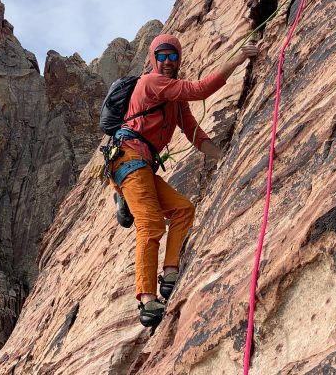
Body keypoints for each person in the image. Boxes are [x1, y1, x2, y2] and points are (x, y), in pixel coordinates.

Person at [108, 33, 258, 327]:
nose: (166, 62)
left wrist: (225, 156)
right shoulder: (151, 82)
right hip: (128, 159)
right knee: (150, 224)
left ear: (179, 59)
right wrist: (239, 58)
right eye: (161, 56)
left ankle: (171, 271)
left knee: (183, 209)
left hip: (142, 166)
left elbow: (194, 134)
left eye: (172, 56)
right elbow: (200, 90)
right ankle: (147, 300)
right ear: (153, 59)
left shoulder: (174, 99)